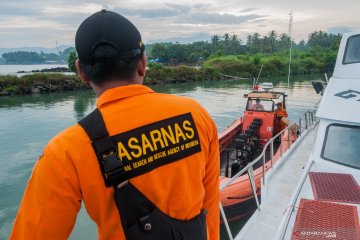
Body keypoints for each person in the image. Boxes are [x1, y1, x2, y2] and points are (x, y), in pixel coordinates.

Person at [10, 10, 220, 240]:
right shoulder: (195, 115)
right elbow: (209, 205)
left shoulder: (65, 152)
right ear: (143, 63)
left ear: (81, 71)